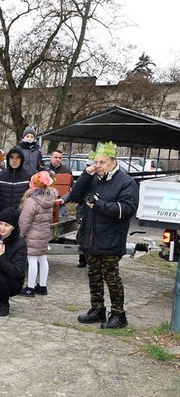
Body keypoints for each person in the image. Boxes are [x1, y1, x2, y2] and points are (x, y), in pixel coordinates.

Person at [60, 141, 138, 329]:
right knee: (93, 275)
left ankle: (119, 315)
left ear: (113, 161)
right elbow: (76, 197)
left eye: (102, 162)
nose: (98, 166)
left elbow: (127, 209)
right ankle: (98, 310)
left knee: (111, 277)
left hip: (111, 238)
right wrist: (86, 175)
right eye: (96, 162)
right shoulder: (93, 177)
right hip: (90, 236)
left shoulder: (126, 182)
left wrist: (100, 205)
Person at [19, 171, 58, 297]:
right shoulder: (49, 199)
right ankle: (42, 285)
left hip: (32, 234)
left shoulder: (32, 201)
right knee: (43, 258)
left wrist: (21, 234)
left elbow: (25, 220)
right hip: (44, 232)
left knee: (32, 259)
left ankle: (30, 287)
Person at [0, 207, 27, 317]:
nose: (2, 228)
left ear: (13, 227)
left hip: (12, 281)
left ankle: (4, 303)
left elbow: (15, 272)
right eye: (0, 223)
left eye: (7, 225)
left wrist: (1, 256)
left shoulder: (20, 243)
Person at [0, 146, 34, 213]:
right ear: (8, 159)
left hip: (21, 216)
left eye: (18, 158)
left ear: (22, 159)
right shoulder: (1, 176)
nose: (14, 160)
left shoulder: (28, 176)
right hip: (4, 216)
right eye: (12, 157)